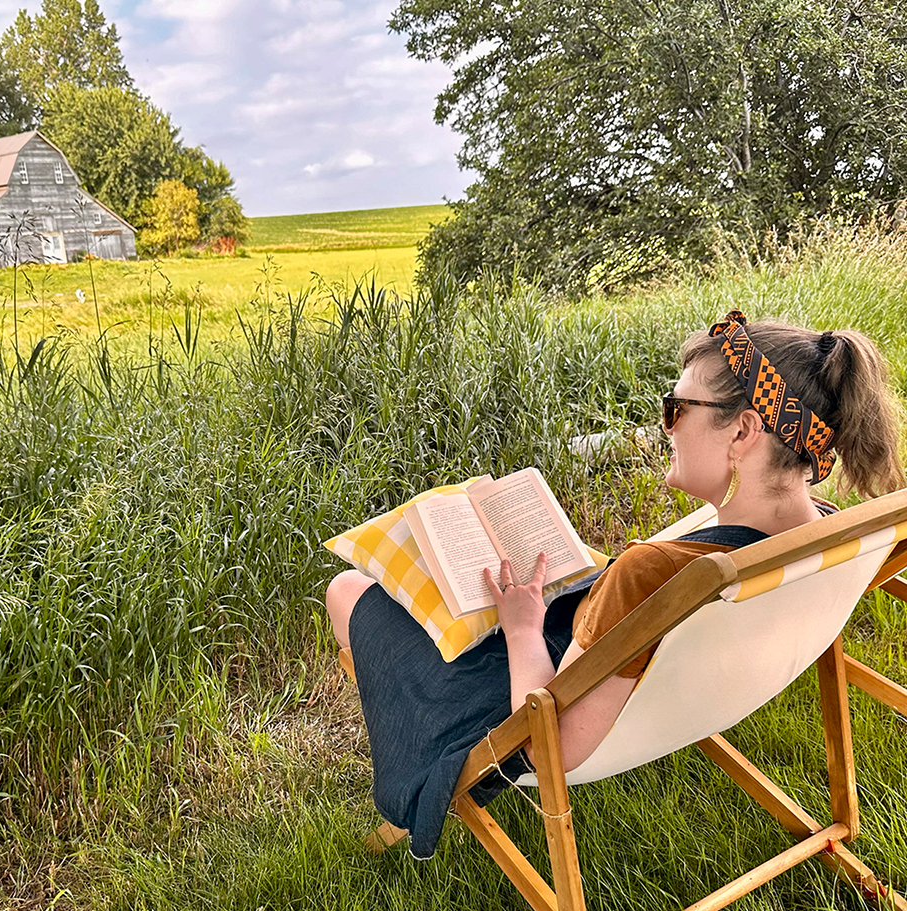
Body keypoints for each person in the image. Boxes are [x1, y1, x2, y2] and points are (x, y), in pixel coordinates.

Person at [325, 312, 905, 858]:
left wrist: (523, 627)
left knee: (350, 591)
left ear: (744, 431)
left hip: (543, 696)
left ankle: (405, 785)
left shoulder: (654, 572)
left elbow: (553, 745)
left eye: (677, 407)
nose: (667, 426)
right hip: (685, 695)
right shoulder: (830, 535)